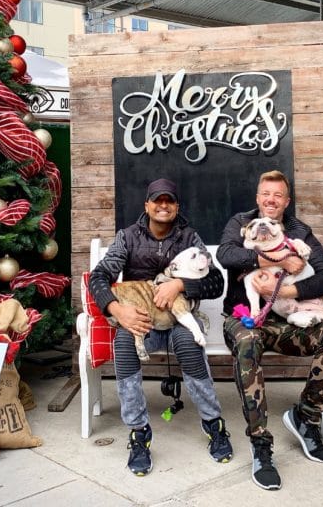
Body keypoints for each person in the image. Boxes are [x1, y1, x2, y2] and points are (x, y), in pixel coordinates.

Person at [89, 177, 233, 476]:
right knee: (125, 344)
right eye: (157, 200)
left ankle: (213, 422)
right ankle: (139, 431)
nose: (163, 205)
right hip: (143, 322)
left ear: (177, 206)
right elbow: (99, 277)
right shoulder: (127, 237)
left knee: (189, 345)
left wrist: (179, 283)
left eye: (169, 200)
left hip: (181, 319)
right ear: (147, 205)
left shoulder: (189, 237)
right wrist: (116, 309)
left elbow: (216, 281)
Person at [216, 170, 323, 491]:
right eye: (265, 194)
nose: (270, 200)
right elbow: (226, 255)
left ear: (286, 201)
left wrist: (289, 292)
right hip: (245, 318)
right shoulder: (241, 222)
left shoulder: (301, 231)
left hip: (288, 322)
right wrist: (270, 261)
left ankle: (306, 416)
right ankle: (261, 443)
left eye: (277, 195)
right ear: (258, 197)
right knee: (247, 342)